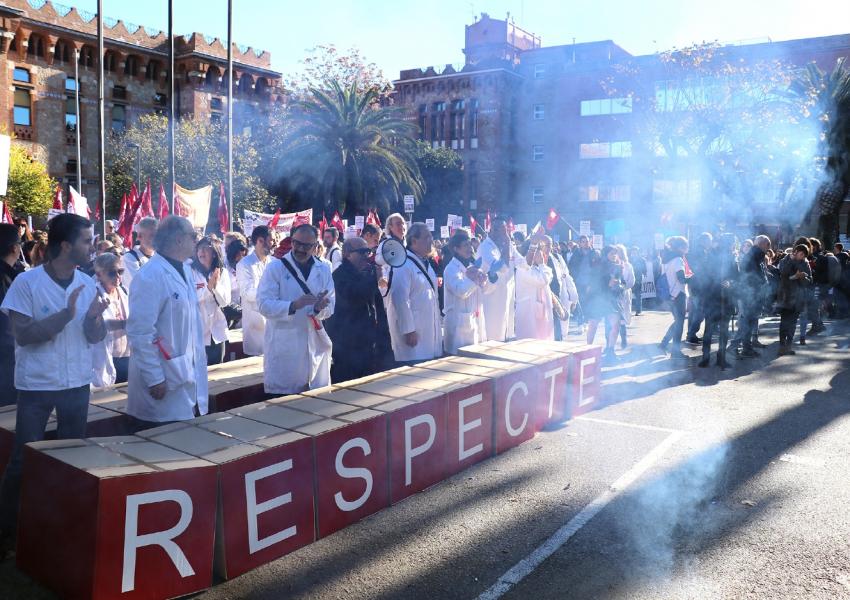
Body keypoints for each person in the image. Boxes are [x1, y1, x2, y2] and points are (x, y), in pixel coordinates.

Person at [0, 213, 109, 539]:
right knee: (24, 458)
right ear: (65, 245)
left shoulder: (87, 283)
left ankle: (62, 522)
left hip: (76, 384)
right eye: (86, 241)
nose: (91, 247)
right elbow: (23, 335)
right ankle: (6, 528)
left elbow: (93, 336)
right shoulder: (26, 283)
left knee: (72, 456)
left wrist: (93, 319)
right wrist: (66, 315)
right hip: (38, 386)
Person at [126, 216, 208, 430]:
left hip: (182, 376)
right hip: (161, 383)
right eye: (193, 236)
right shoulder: (149, 276)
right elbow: (140, 332)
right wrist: (154, 378)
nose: (196, 241)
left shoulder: (186, 270)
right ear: (179, 240)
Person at [258, 223, 335, 394]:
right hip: (284, 347)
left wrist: (319, 309)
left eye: (306, 246)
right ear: (291, 241)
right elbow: (263, 305)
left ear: (315, 246)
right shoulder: (275, 268)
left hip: (315, 345)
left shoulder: (324, 268)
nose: (300, 249)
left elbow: (330, 308)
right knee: (285, 407)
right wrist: (293, 306)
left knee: (317, 402)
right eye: (296, 243)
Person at [326, 237, 383, 380]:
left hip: (364, 340)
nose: (366, 256)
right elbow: (354, 296)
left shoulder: (364, 273)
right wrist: (372, 280)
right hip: (347, 343)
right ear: (347, 254)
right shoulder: (339, 275)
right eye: (362, 252)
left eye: (368, 252)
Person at [385, 222, 442, 363]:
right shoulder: (403, 263)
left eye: (431, 237)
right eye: (426, 237)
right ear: (414, 241)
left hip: (427, 329)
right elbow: (400, 298)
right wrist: (408, 330)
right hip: (414, 333)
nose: (431, 241)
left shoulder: (425, 263)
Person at [443, 228, 488, 353]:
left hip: (475, 318)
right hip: (459, 324)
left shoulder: (472, 265)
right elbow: (461, 291)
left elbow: (484, 290)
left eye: (470, 244)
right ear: (456, 249)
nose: (470, 248)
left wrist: (484, 281)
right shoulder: (451, 269)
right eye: (465, 245)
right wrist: (474, 279)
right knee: (458, 359)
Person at [478, 216, 522, 342]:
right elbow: (501, 268)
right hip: (492, 298)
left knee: (506, 336)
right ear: (491, 230)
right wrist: (507, 244)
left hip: (507, 297)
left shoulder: (507, 245)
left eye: (505, 230)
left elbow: (523, 263)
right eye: (501, 230)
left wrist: (534, 247)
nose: (504, 233)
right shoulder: (486, 247)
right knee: (493, 338)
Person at [698, 234, 738, 368]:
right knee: (709, 329)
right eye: (733, 242)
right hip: (712, 298)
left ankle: (721, 358)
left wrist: (731, 282)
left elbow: (736, 277)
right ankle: (705, 358)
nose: (734, 245)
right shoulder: (710, 256)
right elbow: (703, 276)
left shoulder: (732, 257)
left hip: (726, 299)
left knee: (724, 330)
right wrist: (715, 284)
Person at [190, 236, 232, 366]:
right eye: (199, 249)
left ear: (214, 253)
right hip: (198, 332)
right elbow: (191, 298)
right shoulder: (190, 271)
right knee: (198, 370)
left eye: (205, 249)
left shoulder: (222, 272)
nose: (201, 252)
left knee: (217, 370)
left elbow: (225, 301)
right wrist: (208, 289)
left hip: (217, 331)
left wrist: (215, 286)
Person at [92, 252, 131, 385]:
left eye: (120, 271)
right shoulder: (93, 296)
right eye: (112, 273)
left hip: (127, 356)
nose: (118, 276)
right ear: (98, 275)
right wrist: (124, 324)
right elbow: (94, 327)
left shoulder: (124, 291)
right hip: (106, 358)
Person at [236, 226, 274, 356]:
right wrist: (271, 292)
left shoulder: (275, 263)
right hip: (255, 324)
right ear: (260, 241)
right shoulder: (244, 264)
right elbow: (247, 293)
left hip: (274, 322)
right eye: (271, 241)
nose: (273, 244)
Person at [585, 245, 627, 361]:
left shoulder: (618, 267)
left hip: (612, 300)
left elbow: (623, 284)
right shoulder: (598, 266)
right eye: (612, 253)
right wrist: (607, 285)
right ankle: (587, 350)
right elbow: (592, 284)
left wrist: (618, 285)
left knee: (616, 325)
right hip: (598, 300)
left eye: (616, 253)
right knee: (593, 325)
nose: (614, 255)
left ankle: (610, 351)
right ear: (606, 254)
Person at [0, 224, 25, 406]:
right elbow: (6, 323)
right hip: (6, 356)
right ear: (15, 248)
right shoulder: (5, 278)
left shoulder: (14, 275)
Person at [735, 234, 770, 358]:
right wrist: (762, 284)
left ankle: (746, 347)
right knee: (747, 322)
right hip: (750, 295)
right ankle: (738, 347)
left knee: (749, 322)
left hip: (753, 295)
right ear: (761, 244)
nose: (768, 248)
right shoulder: (754, 256)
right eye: (767, 245)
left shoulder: (756, 256)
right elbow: (752, 277)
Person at [515, 234, 555, 340]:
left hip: (539, 313)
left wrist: (542, 265)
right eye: (540, 250)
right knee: (530, 344)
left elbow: (548, 278)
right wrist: (542, 264)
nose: (542, 253)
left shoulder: (535, 268)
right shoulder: (523, 268)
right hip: (529, 314)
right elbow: (543, 280)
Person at [777, 244, 812, 356]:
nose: (802, 257)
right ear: (795, 251)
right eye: (801, 254)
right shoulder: (785, 260)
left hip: (798, 297)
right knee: (784, 322)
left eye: (804, 255)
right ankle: (782, 346)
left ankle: (788, 346)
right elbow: (783, 274)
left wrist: (802, 277)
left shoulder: (805, 263)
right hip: (785, 296)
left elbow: (810, 280)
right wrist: (791, 263)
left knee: (792, 323)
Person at [659, 236, 690, 358]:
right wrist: (694, 279)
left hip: (670, 294)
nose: (688, 248)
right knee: (680, 323)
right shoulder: (678, 259)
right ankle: (675, 351)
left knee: (678, 321)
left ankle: (663, 344)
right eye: (686, 245)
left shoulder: (667, 259)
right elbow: (681, 278)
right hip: (678, 294)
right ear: (681, 247)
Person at [546, 236, 578, 340]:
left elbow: (567, 276)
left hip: (560, 295)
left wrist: (573, 297)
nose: (548, 247)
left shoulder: (557, 257)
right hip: (546, 296)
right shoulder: (537, 258)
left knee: (559, 324)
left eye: (549, 245)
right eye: (545, 245)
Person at [686, 232, 713, 344]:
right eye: (709, 241)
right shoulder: (700, 252)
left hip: (694, 285)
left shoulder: (695, 251)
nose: (710, 243)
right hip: (699, 286)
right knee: (699, 312)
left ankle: (690, 334)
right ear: (704, 241)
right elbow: (701, 269)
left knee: (695, 311)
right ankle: (691, 335)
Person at [122, 216, 157, 288]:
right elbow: (140, 285)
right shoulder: (129, 258)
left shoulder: (159, 258)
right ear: (139, 236)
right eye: (152, 236)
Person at [615, 244, 636, 349]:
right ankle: (610, 344)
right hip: (613, 296)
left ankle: (624, 340)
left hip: (624, 294)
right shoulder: (611, 265)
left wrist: (623, 287)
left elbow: (632, 281)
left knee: (622, 318)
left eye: (617, 251)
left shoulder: (628, 265)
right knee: (613, 318)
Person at [630, 246, 646, 316]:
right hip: (630, 279)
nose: (634, 253)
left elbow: (644, 269)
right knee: (628, 295)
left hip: (638, 279)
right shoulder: (629, 259)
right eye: (633, 251)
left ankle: (638, 311)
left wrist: (644, 273)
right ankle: (628, 310)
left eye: (635, 251)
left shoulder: (641, 259)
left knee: (638, 295)